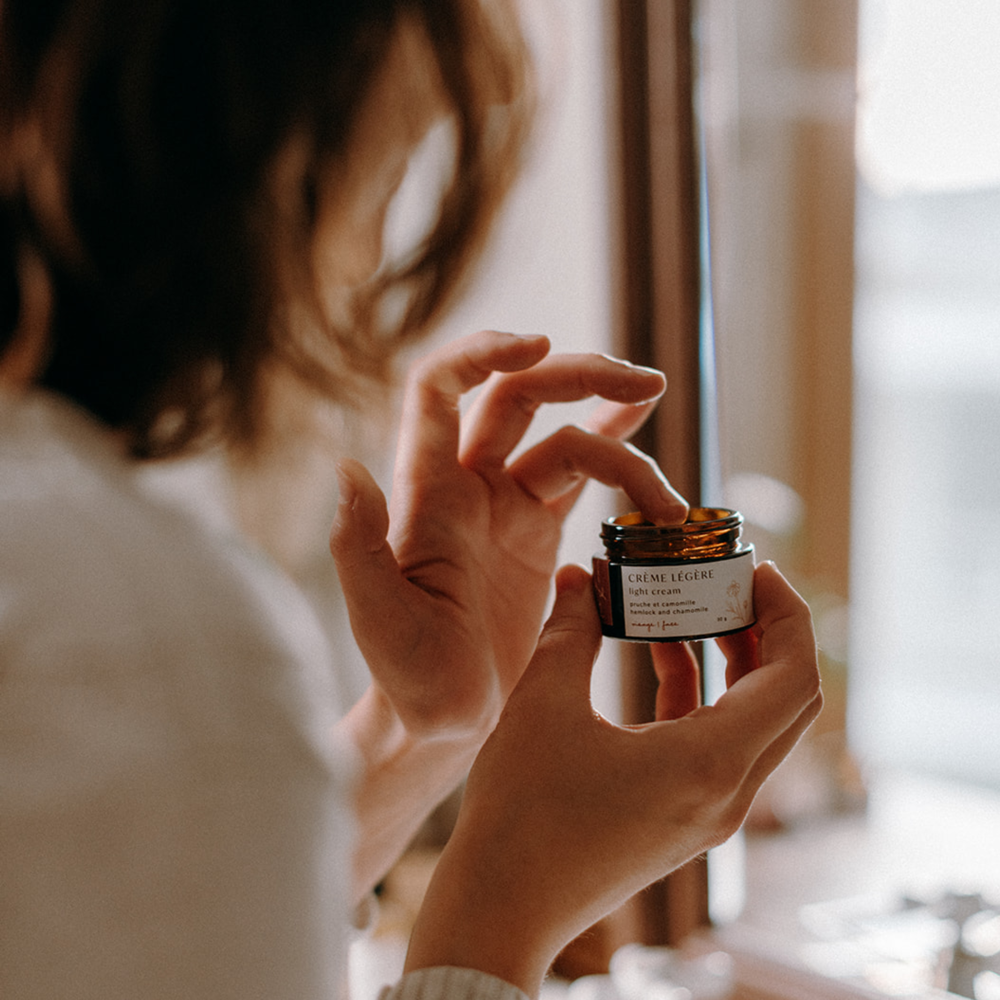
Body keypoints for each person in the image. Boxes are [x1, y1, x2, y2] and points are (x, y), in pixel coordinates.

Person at [0, 1, 822, 998]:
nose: (368, 258)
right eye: (388, 166)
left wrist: (417, 729)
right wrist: (505, 903)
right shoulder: (133, 634)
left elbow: (95, 923)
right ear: (256, 153)